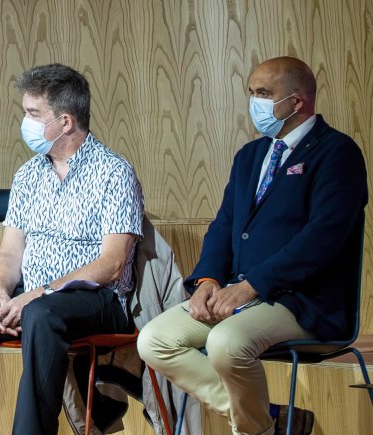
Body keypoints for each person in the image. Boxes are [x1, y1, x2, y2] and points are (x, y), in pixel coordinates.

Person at [0, 63, 144, 435]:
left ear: (65, 121)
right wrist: (2, 293)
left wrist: (36, 296)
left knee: (42, 314)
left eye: (33, 113)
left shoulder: (114, 172)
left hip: (97, 301)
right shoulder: (28, 175)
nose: (25, 122)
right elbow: (9, 253)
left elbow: (111, 265)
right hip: (28, 297)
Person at [138, 57, 368, 435]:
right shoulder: (250, 156)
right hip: (237, 294)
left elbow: (322, 238)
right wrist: (209, 281)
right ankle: (270, 422)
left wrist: (251, 286)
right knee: (154, 340)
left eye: (264, 93)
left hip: (302, 301)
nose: (255, 103)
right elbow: (224, 225)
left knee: (226, 342)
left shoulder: (337, 153)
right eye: (252, 92)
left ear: (297, 102)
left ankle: (256, 426)